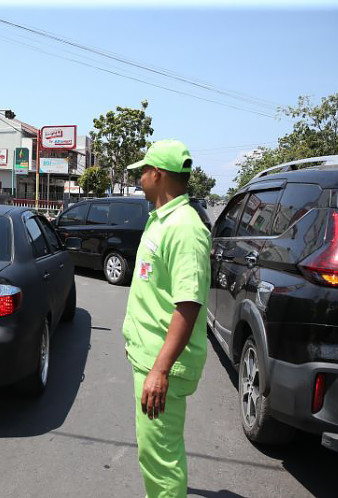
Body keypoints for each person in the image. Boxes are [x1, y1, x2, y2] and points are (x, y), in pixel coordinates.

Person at [121, 140, 211, 498]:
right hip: (149, 358)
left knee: (161, 457)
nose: (140, 178)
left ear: (157, 175)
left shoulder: (186, 229)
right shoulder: (163, 219)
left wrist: (159, 370)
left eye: (143, 171)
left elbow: (188, 305)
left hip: (163, 366)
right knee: (153, 449)